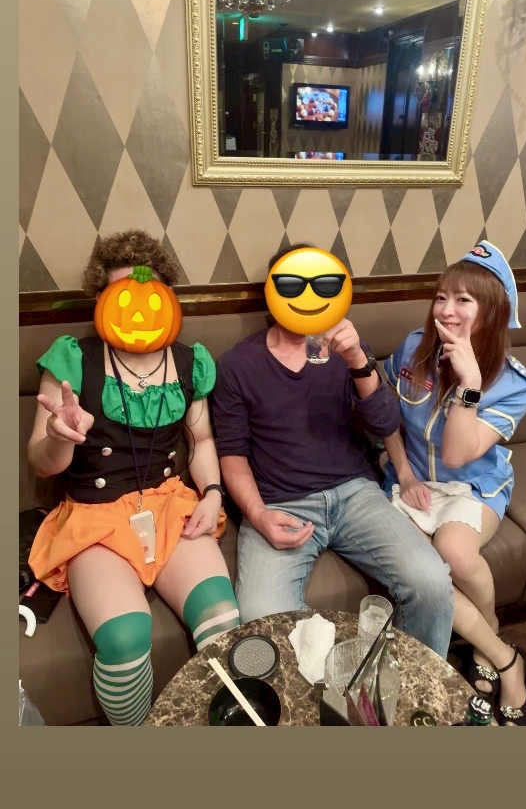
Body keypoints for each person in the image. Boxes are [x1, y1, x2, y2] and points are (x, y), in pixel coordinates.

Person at [27, 230, 240, 726]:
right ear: (101, 298)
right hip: (94, 518)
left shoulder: (188, 362)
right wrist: (60, 437)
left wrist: (212, 493)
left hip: (168, 504)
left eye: (149, 295)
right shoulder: (72, 360)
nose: (137, 308)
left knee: (223, 620)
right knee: (125, 638)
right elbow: (41, 463)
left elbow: (202, 440)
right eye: (121, 295)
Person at [211, 243, 454, 660]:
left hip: (354, 493)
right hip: (281, 501)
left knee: (431, 582)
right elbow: (232, 456)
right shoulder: (237, 364)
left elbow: (385, 424)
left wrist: (358, 359)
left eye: (322, 285)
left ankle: (411, 684)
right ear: (273, 293)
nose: (308, 296)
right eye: (293, 285)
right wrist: (258, 514)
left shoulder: (349, 351)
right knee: (261, 618)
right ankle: (332, 681)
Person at [382, 241, 526, 725]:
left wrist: (469, 385)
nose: (446, 310)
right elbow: (383, 416)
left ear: (493, 312)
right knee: (425, 572)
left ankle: (486, 639)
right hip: (408, 478)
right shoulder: (414, 348)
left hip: (473, 485)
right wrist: (404, 473)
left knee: (454, 550)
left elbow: (455, 455)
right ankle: (503, 655)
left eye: (464, 300)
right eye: (441, 297)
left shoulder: (516, 384)